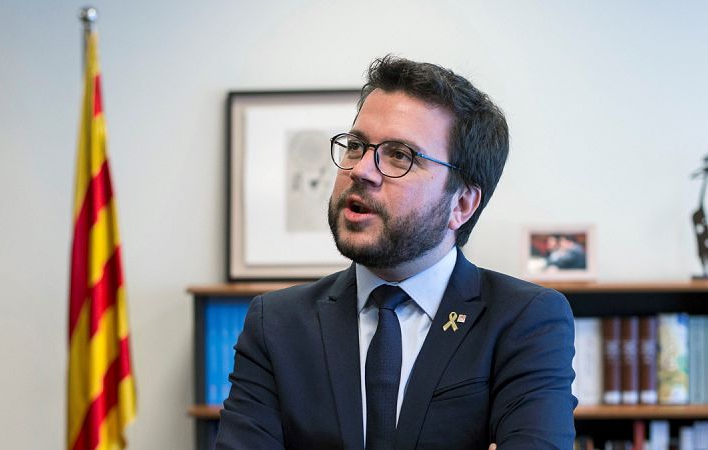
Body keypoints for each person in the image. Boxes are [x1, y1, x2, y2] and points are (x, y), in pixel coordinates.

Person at [215, 56, 577, 450]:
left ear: (461, 204)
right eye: (356, 146)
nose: (360, 170)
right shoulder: (276, 323)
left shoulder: (525, 319)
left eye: (400, 155)